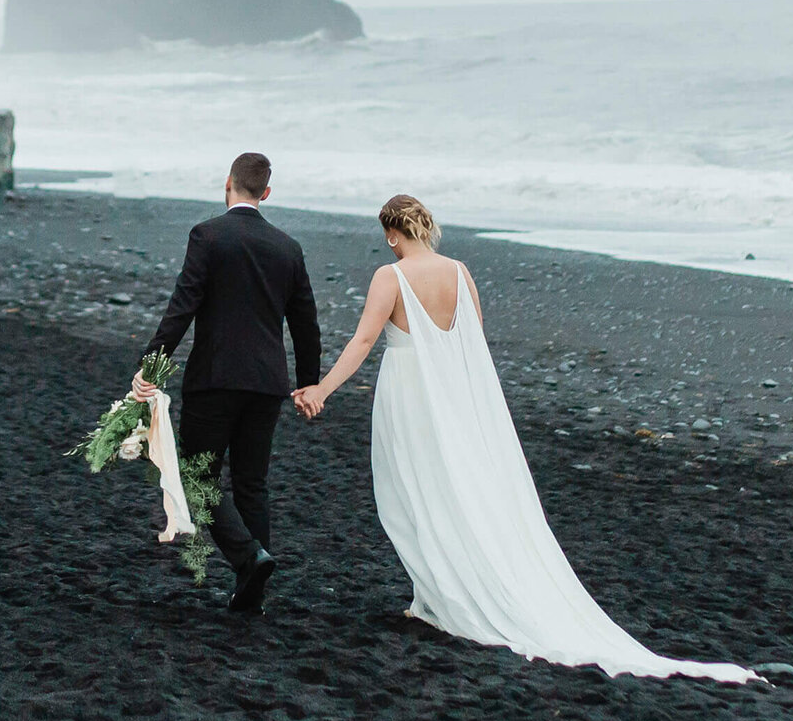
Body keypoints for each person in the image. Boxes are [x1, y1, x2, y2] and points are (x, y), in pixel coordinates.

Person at [292, 194, 760, 681]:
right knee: (458, 490)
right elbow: (472, 344)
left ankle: (436, 595)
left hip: (408, 396)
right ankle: (430, 595)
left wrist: (322, 389)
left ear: (392, 234)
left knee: (414, 491)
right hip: (451, 394)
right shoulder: (460, 272)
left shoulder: (389, 277)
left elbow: (364, 340)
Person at [134, 153, 320, 614]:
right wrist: (308, 383)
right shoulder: (288, 247)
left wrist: (151, 366)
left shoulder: (208, 235)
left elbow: (183, 306)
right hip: (267, 383)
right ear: (267, 193)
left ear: (228, 184)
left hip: (215, 379)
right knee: (252, 484)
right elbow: (305, 323)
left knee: (199, 479)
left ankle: (249, 557)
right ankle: (252, 588)